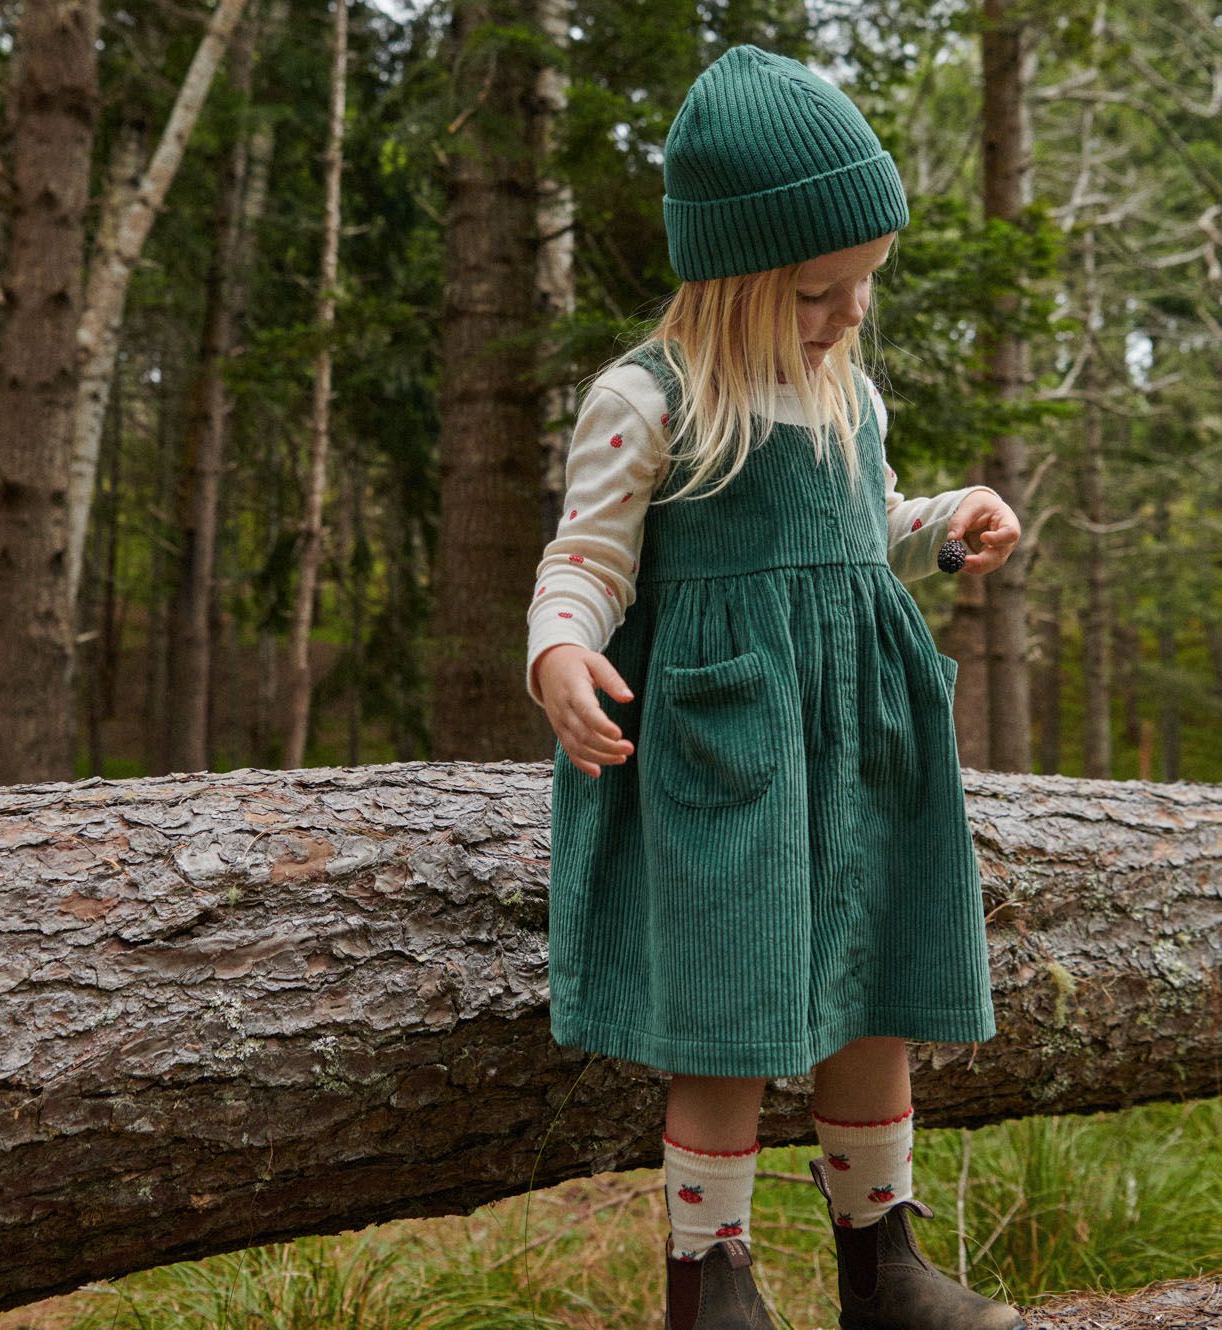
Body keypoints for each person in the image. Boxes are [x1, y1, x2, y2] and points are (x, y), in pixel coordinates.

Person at [524, 45, 1026, 1330]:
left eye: (863, 284)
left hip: (861, 742)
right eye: (818, 291)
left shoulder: (843, 387)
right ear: (732, 279)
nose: (849, 313)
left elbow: (867, 529)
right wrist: (561, 651)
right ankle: (714, 1282)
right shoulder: (652, 396)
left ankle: (885, 1264)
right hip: (728, 748)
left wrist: (944, 522)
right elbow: (586, 556)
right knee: (732, 1008)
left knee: (876, 990)